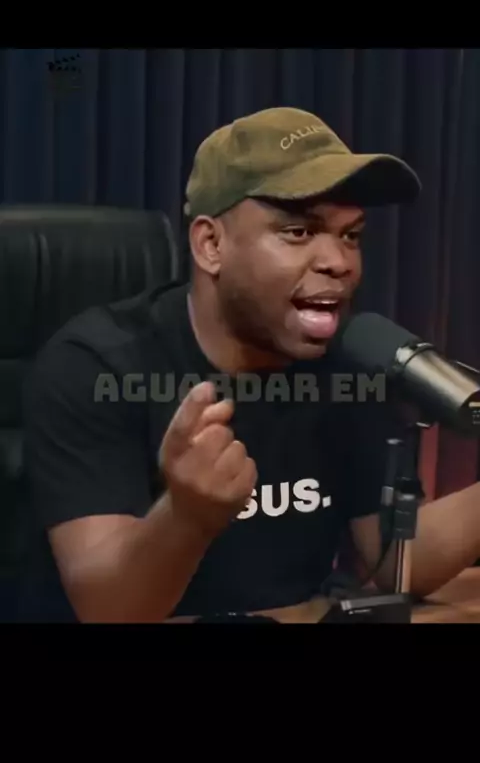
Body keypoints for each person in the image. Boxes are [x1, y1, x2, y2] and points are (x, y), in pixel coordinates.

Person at [20, 107, 480, 623]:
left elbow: (395, 558)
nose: (339, 262)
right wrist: (187, 516)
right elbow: (110, 611)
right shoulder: (95, 366)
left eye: (350, 235)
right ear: (211, 245)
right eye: (298, 232)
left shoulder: (345, 363)